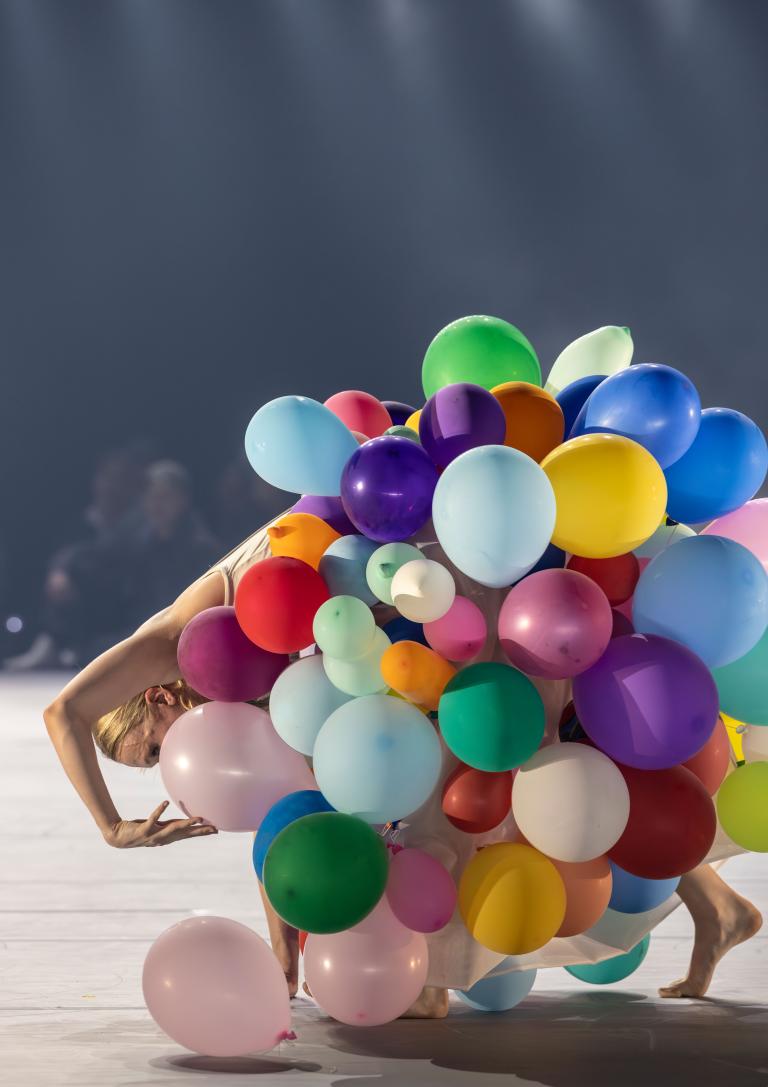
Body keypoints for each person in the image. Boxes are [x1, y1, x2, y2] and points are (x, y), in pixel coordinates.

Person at [43, 516, 762, 1016]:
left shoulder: (176, 640)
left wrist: (111, 826)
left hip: (438, 572)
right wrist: (284, 962)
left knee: (528, 755)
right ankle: (719, 908)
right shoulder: (235, 708)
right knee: (529, 764)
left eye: (150, 749)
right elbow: (290, 808)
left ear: (152, 698)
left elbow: (63, 712)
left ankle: (431, 975)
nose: (166, 763)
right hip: (402, 617)